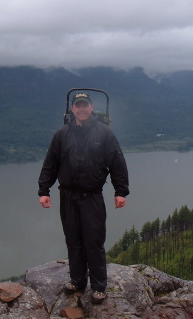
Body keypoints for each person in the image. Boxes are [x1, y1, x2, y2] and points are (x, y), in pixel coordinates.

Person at [38, 91, 129, 304]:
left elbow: (117, 163)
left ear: (91, 108)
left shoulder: (104, 133)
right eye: (77, 105)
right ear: (72, 109)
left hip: (92, 197)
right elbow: (51, 164)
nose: (81, 109)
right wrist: (44, 190)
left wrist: (120, 192)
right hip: (68, 196)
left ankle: (98, 287)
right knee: (73, 240)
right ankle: (77, 280)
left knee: (94, 241)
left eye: (84, 105)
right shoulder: (62, 134)